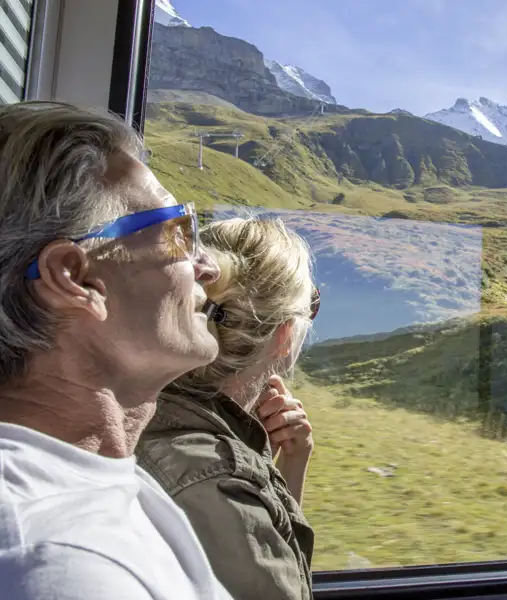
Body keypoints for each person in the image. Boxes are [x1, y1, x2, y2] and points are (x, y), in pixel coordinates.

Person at [0, 101, 234, 600]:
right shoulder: (59, 564)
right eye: (179, 231)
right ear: (77, 279)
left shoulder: (99, 476)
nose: (208, 268)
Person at [136, 217, 319, 600]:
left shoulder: (142, 408)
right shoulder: (220, 484)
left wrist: (288, 462)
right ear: (284, 335)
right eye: (310, 306)